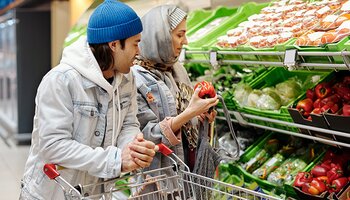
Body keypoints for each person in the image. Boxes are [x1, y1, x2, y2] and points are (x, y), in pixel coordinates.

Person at [19, 0, 157, 199]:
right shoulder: (61, 80)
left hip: (93, 192)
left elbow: (129, 123)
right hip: (52, 193)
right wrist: (116, 160)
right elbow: (53, 146)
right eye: (135, 43)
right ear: (114, 45)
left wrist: (132, 148)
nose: (139, 52)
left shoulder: (127, 78)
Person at [131, 5, 218, 196]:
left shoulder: (176, 69)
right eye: (179, 35)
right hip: (158, 179)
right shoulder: (135, 79)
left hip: (188, 170)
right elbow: (146, 137)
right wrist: (190, 113)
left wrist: (202, 116)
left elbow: (187, 122)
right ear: (159, 36)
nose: (185, 41)